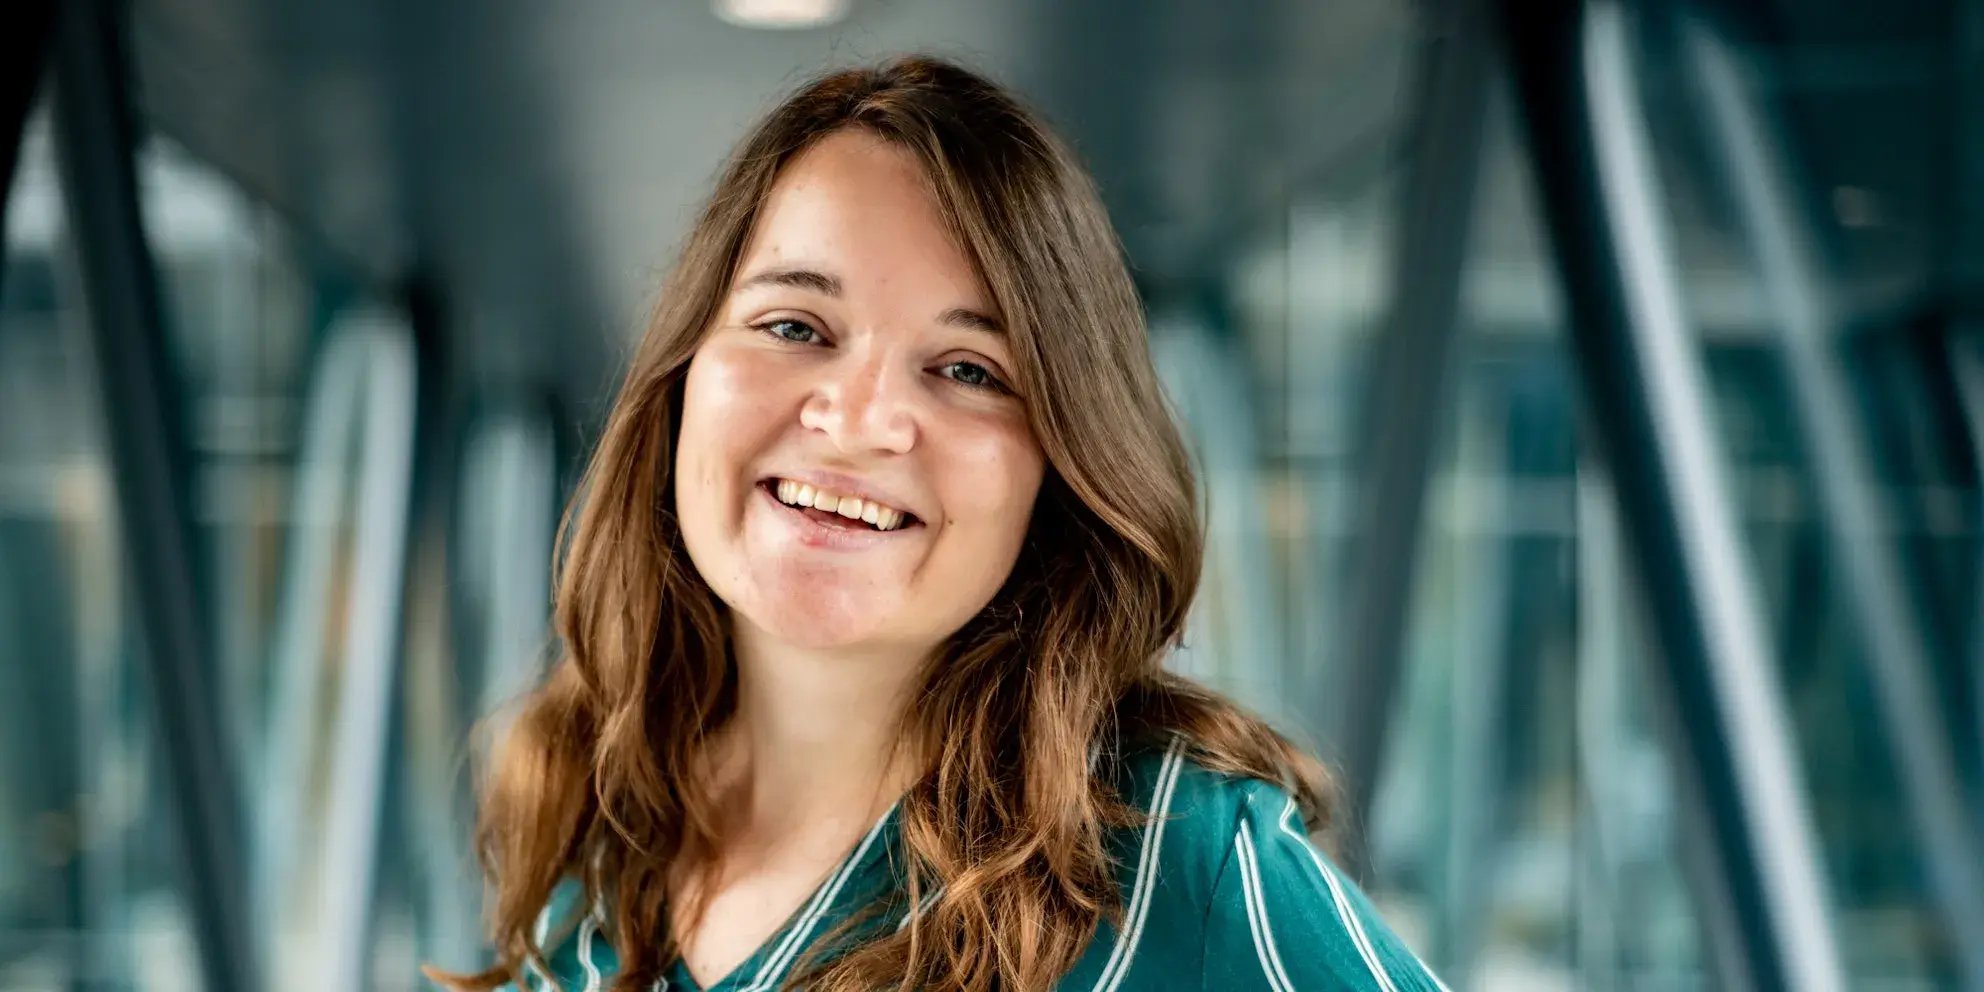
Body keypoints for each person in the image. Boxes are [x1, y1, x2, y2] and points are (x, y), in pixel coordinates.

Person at [428, 55, 1448, 992]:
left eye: (967, 370)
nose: (856, 419)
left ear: (1060, 460)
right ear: (684, 375)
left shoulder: (1180, 857)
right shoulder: (596, 803)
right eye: (794, 326)